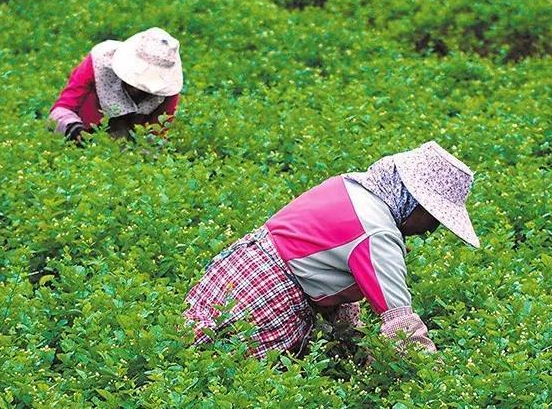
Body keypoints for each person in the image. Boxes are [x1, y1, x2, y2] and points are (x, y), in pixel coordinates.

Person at [184, 141, 480, 359]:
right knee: (234, 377)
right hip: (264, 300)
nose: (432, 229)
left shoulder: (349, 185)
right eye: (434, 217)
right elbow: (401, 325)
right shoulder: (377, 233)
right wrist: (436, 381)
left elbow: (324, 267)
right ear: (416, 203)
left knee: (195, 359)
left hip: (236, 273)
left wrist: (355, 346)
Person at [49, 27, 183, 143]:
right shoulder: (100, 62)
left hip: (130, 147)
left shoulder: (167, 89)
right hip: (85, 136)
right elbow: (62, 108)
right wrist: (73, 128)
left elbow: (156, 135)